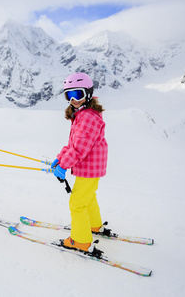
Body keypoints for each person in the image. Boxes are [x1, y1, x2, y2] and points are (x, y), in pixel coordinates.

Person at [51, 72, 108, 256]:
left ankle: (81, 241)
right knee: (88, 197)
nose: (74, 99)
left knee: (77, 203)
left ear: (88, 94)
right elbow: (72, 145)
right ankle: (94, 225)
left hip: (89, 166)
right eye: (69, 94)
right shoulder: (81, 115)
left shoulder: (88, 118)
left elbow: (79, 149)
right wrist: (60, 158)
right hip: (90, 166)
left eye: (78, 93)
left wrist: (64, 165)